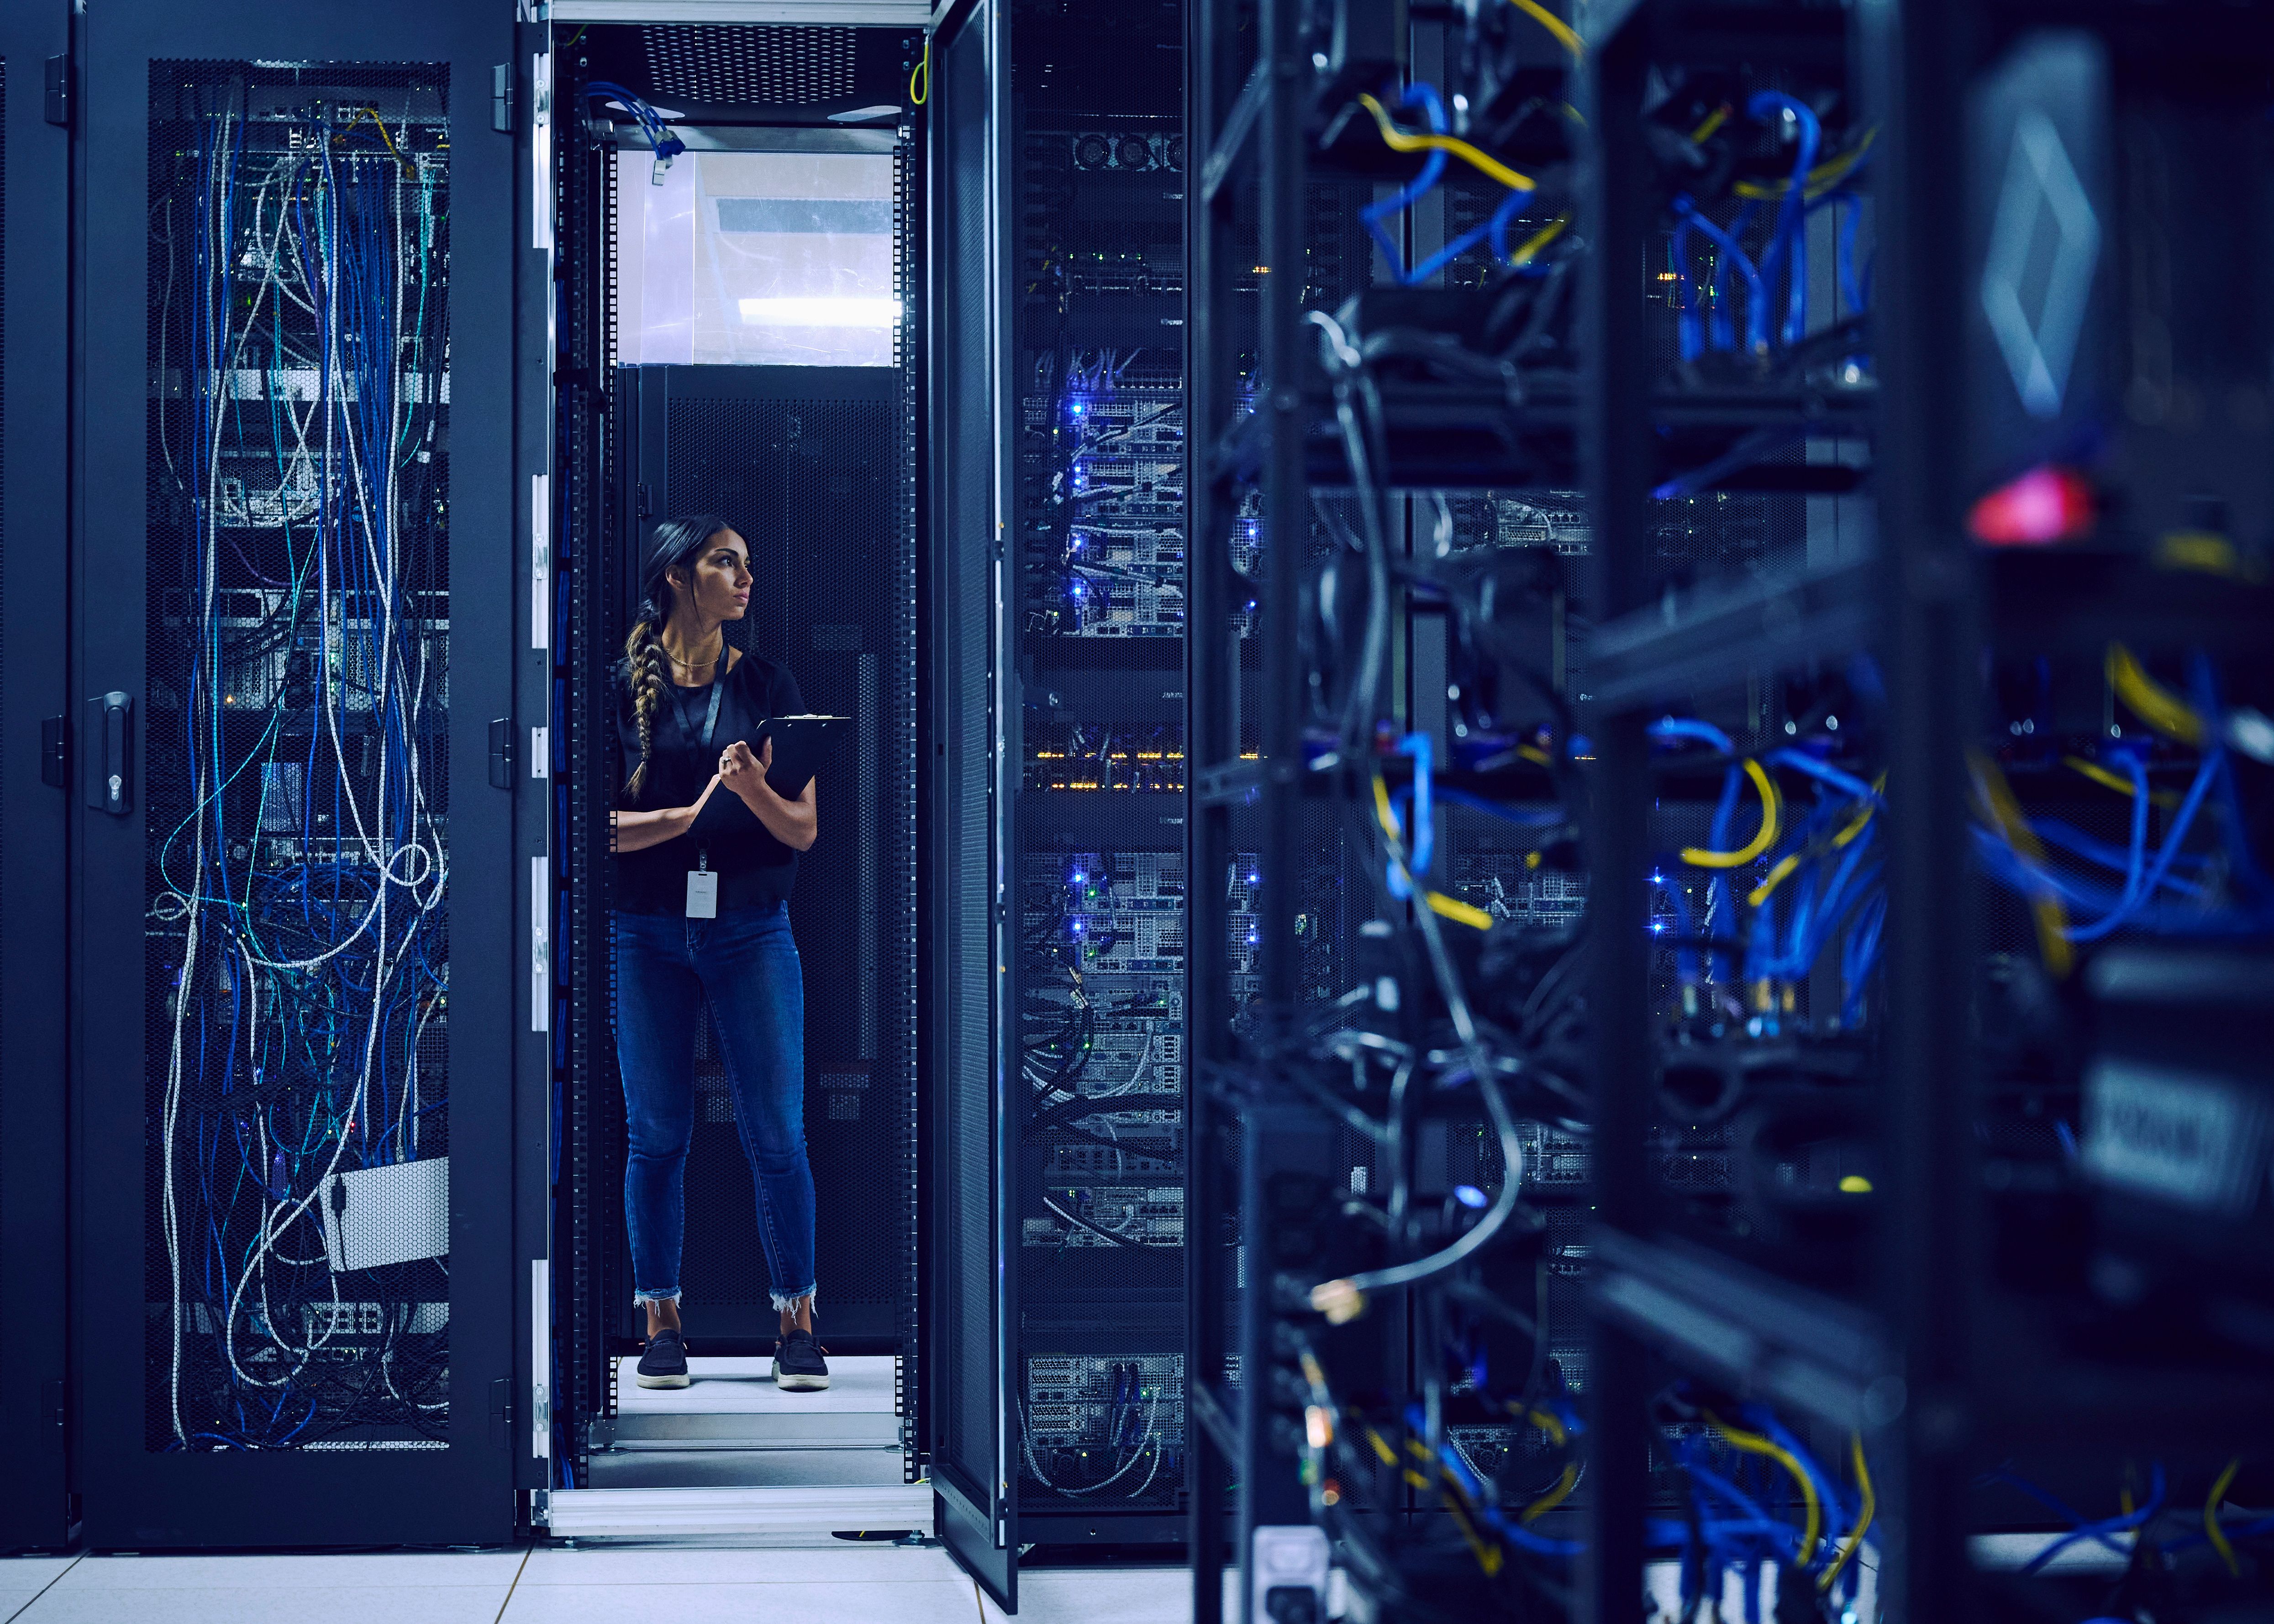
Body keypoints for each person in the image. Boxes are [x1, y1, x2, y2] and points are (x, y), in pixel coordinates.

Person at [610, 514, 828, 1392]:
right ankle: (660, 1318)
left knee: (778, 1134)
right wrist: (693, 813)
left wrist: (749, 790)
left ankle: (798, 1320)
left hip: (750, 929)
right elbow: (594, 830)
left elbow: (804, 828)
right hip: (648, 930)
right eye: (725, 563)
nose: (745, 579)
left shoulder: (769, 684)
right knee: (656, 1134)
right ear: (676, 576)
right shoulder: (621, 687)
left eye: (747, 564)